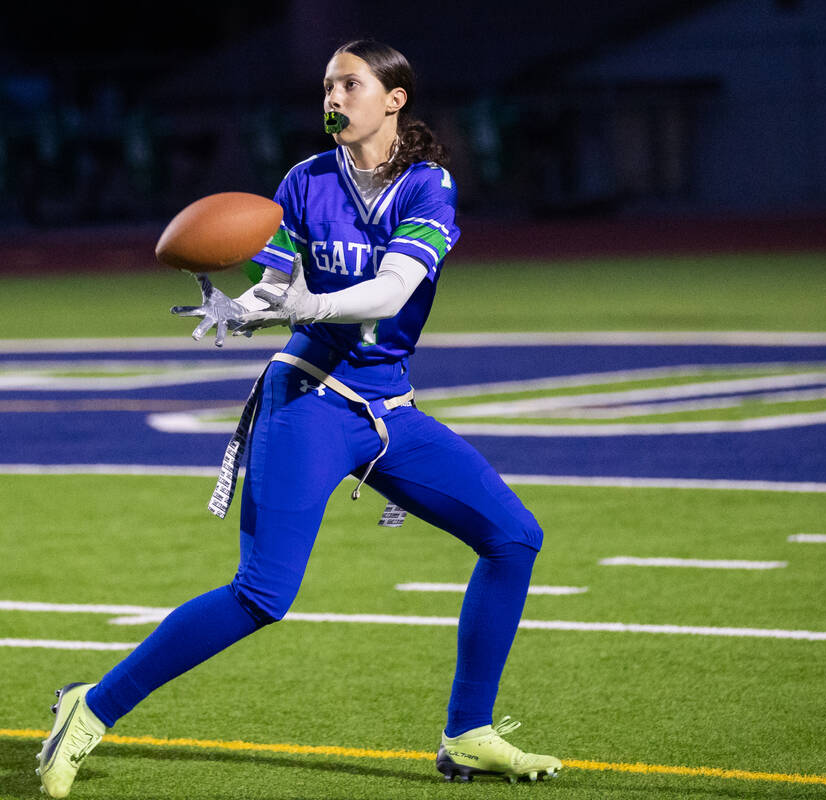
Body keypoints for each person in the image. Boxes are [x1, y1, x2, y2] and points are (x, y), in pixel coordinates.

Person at [35, 39, 563, 797]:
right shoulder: (305, 180)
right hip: (308, 399)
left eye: (350, 84)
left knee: (513, 537)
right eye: (327, 85)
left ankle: (469, 733)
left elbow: (390, 292)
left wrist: (308, 303)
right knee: (263, 594)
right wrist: (239, 310)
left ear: (394, 98)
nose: (334, 97)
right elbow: (273, 286)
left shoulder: (428, 186)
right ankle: (92, 706)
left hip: (387, 406)